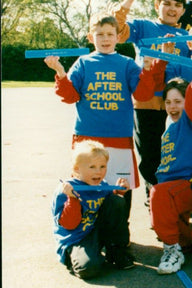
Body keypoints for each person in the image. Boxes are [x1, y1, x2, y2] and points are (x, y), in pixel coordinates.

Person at [44, 14, 160, 244]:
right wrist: (59, 70)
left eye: (110, 34)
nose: (105, 39)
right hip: (87, 139)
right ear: (91, 37)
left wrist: (147, 70)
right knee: (87, 187)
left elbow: (143, 95)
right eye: (100, 34)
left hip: (119, 138)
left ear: (118, 37)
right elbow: (70, 96)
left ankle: (119, 238)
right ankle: (88, 235)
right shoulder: (83, 63)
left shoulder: (127, 64)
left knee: (120, 189)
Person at [116, 0, 191, 197]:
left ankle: (170, 199)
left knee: (172, 156)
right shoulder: (143, 26)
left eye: (177, 5)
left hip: (175, 107)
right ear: (156, 5)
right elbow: (118, 30)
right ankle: (154, 199)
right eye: (166, 3)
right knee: (150, 157)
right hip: (147, 103)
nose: (172, 9)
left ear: (183, 10)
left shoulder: (187, 37)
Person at [150, 62, 192, 275]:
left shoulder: (190, 119)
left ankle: (171, 251)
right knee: (185, 239)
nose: (172, 106)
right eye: (168, 102)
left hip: (188, 183)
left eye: (178, 101)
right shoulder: (169, 125)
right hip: (172, 184)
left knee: (158, 194)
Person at [52, 141, 134, 279]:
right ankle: (75, 256)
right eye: (92, 167)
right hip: (77, 237)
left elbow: (110, 208)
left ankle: (116, 250)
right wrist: (72, 200)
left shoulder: (102, 184)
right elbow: (69, 224)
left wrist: (119, 193)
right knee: (88, 269)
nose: (99, 171)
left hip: (95, 231)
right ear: (77, 169)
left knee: (117, 202)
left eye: (102, 166)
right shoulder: (66, 191)